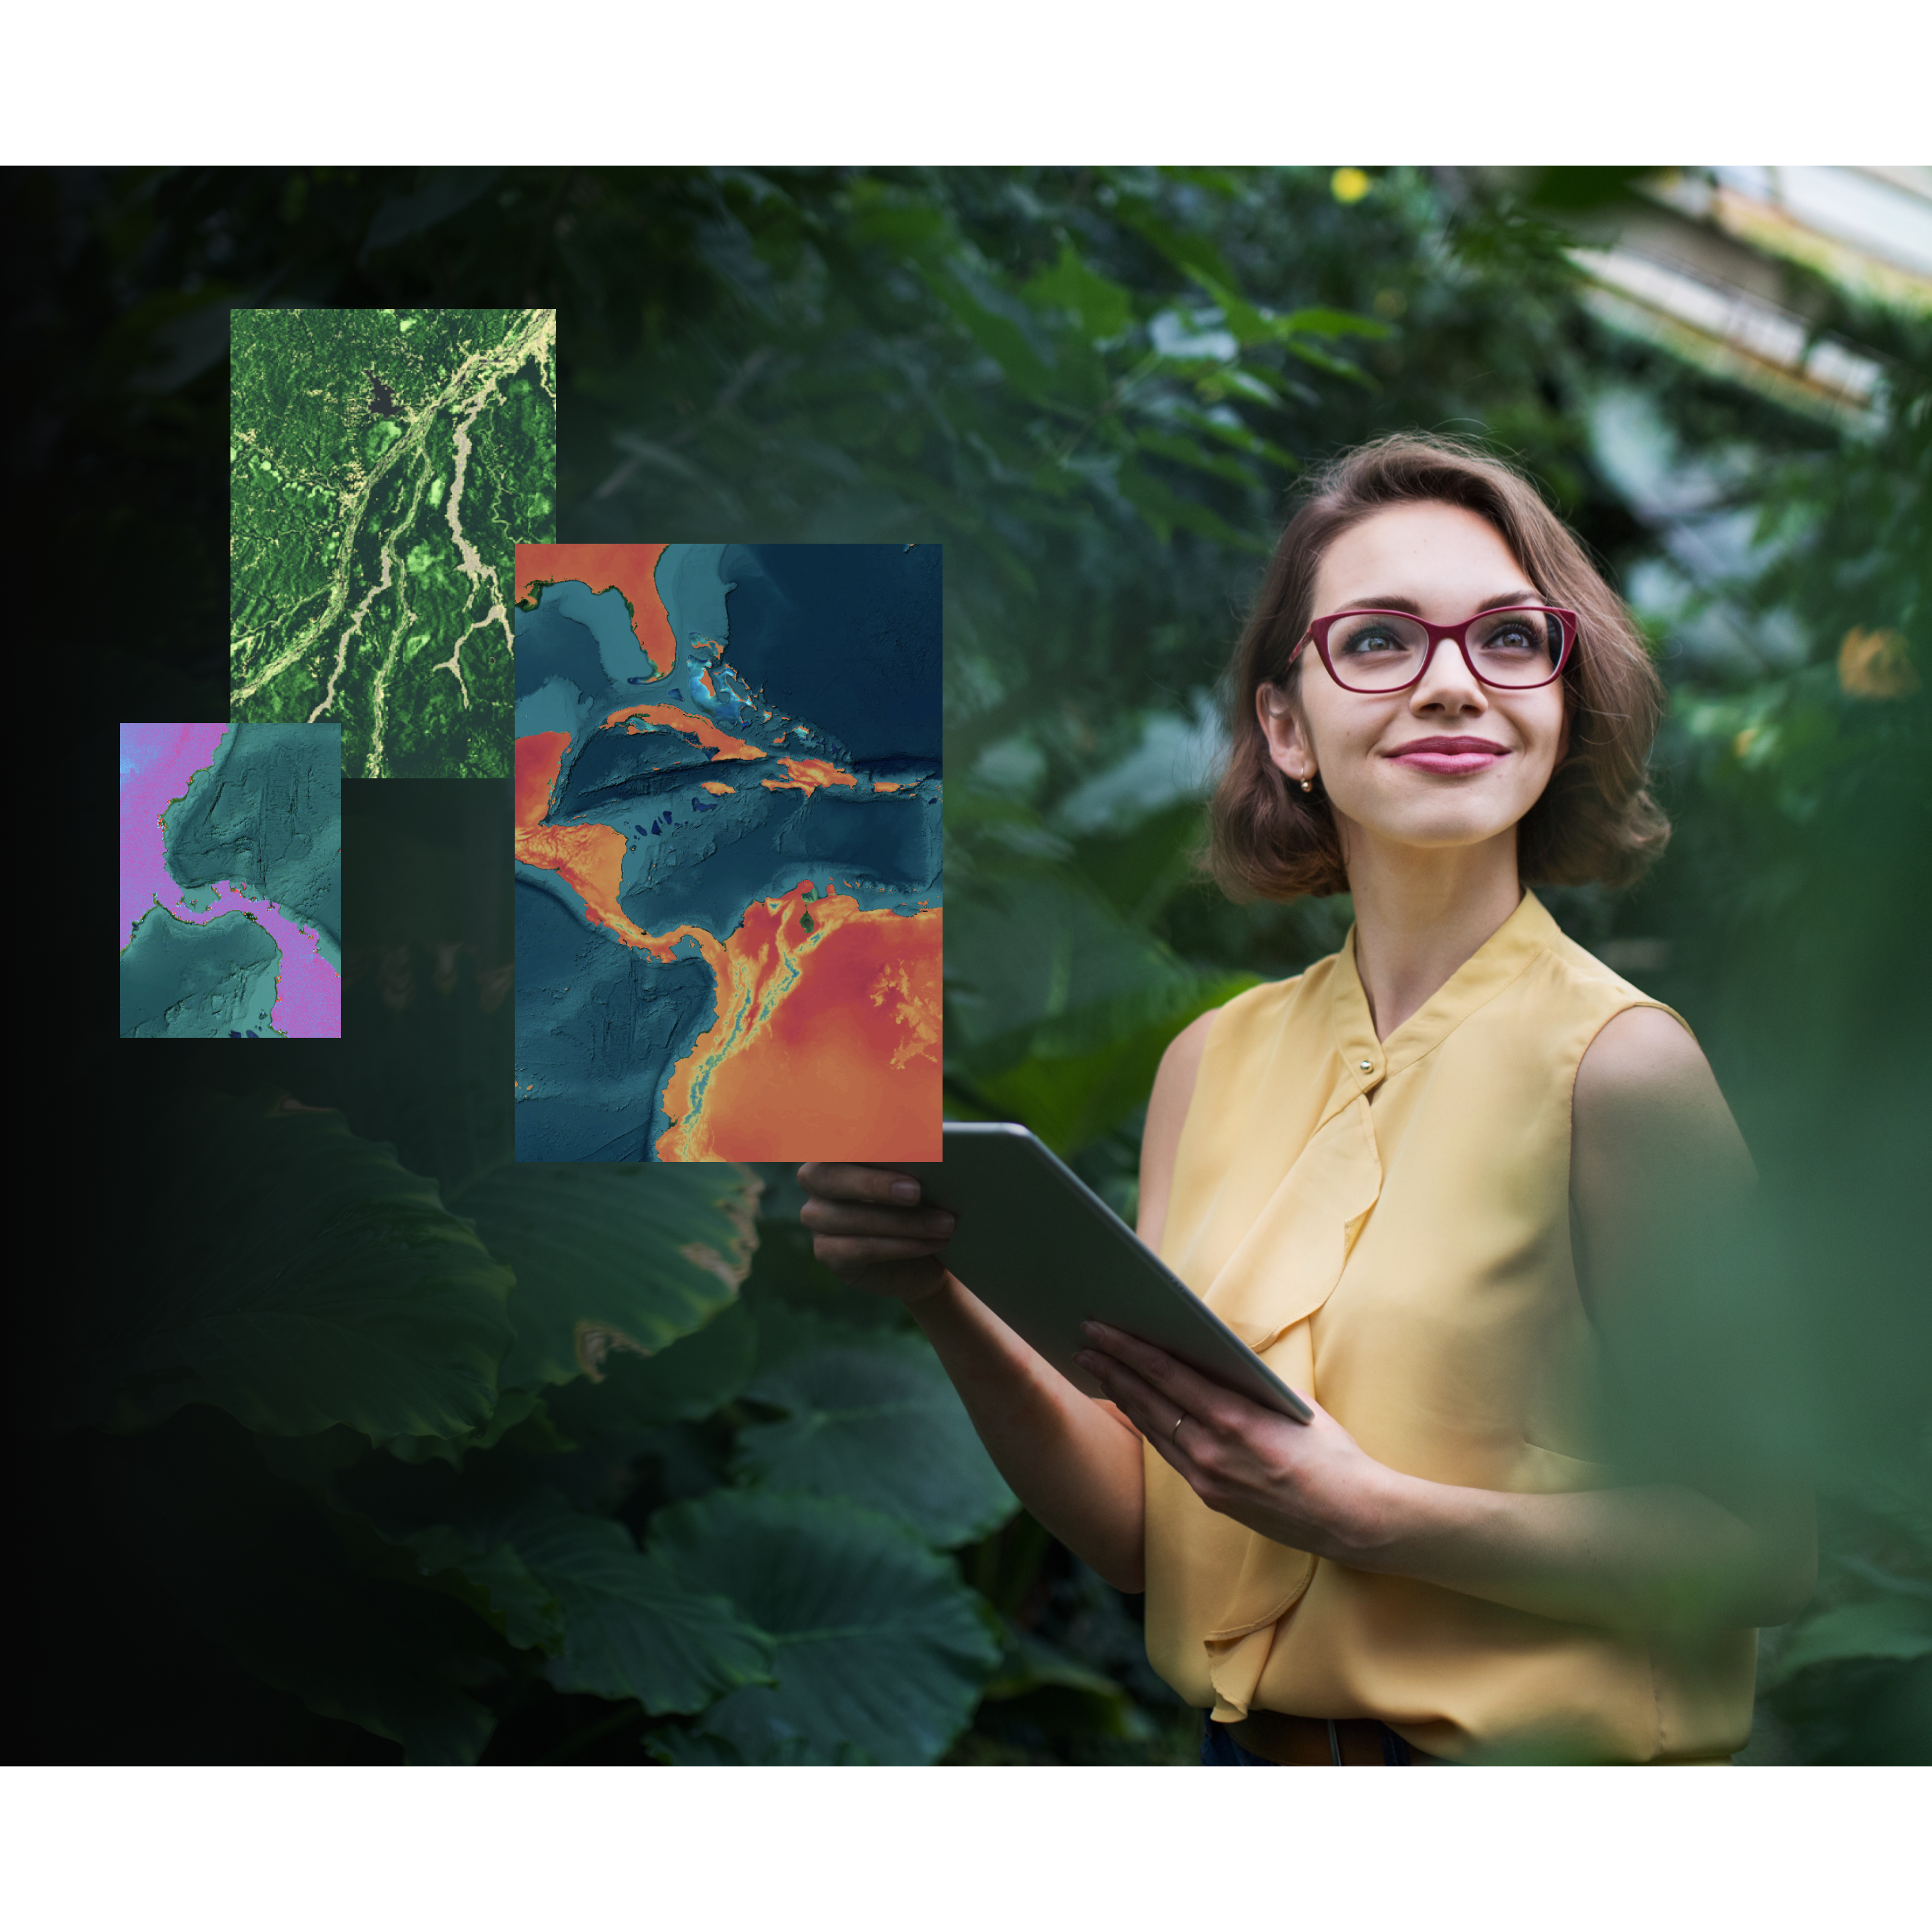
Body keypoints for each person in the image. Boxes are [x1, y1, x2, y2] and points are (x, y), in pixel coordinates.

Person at [798, 433, 1814, 1766]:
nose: (1451, 682)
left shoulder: (1623, 1067)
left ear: (1564, 703)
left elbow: (1766, 1551)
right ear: (1286, 727)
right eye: (1379, 640)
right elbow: (1143, 1533)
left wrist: (1374, 1515)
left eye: (1509, 639)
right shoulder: (1208, 1062)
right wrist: (940, 1292)